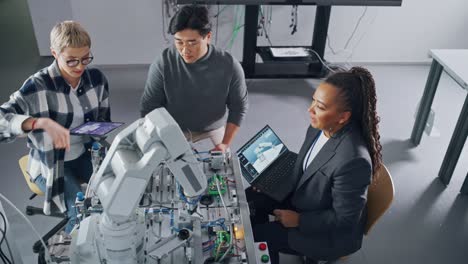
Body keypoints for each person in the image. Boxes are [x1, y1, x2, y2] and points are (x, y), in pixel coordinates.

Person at [247, 67, 382, 264]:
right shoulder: (320, 126)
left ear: (343, 117)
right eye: (313, 100)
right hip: (309, 198)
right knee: (250, 198)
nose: (310, 110)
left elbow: (345, 220)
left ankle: (266, 241)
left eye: (320, 106)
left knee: (258, 238)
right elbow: (309, 166)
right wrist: (271, 179)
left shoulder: (354, 161)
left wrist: (298, 220)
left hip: (328, 234)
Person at [0, 21, 110, 233]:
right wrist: (38, 122)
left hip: (84, 155)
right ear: (54, 53)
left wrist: (100, 132)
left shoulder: (96, 79)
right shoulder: (37, 86)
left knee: (114, 196)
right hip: (49, 164)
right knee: (80, 214)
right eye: (71, 61)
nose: (80, 67)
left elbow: (102, 122)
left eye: (85, 58)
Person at [140, 5, 248, 152]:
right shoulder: (163, 63)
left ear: (208, 37)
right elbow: (149, 108)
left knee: (220, 172)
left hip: (213, 131)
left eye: (192, 42)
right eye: (179, 42)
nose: (185, 50)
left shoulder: (229, 65)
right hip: (172, 132)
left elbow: (239, 108)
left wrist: (224, 144)